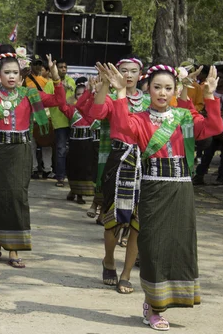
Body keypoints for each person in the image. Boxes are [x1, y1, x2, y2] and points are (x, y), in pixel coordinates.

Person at [97, 62, 223, 330]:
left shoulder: (184, 119)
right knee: (152, 247)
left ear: (175, 89)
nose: (162, 93)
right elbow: (121, 127)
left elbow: (212, 128)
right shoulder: (140, 119)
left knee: (178, 246)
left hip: (181, 189)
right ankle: (152, 306)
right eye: (157, 87)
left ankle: (162, 303)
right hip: (153, 188)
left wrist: (210, 96)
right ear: (148, 89)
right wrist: (120, 93)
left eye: (168, 88)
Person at [0, 45, 65, 268]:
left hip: (20, 151)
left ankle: (15, 248)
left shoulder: (29, 94)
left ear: (21, 75)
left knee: (18, 197)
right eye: (6, 72)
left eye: (15, 73)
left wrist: (56, 78)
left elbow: (58, 100)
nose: (11, 76)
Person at [84, 57, 151, 294]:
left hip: (147, 162)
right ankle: (109, 258)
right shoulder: (113, 100)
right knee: (113, 217)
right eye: (124, 71)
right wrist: (104, 84)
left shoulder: (151, 101)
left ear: (141, 74)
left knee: (137, 222)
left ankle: (126, 273)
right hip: (120, 160)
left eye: (133, 71)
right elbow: (96, 112)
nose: (129, 75)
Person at [59, 83, 98, 204]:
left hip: (88, 143)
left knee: (85, 169)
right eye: (78, 94)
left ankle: (80, 194)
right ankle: (73, 190)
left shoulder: (92, 109)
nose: (81, 97)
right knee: (73, 168)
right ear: (75, 96)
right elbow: (61, 106)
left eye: (83, 94)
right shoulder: (71, 110)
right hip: (75, 143)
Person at [44, 59, 76, 186]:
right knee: (61, 150)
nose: (63, 69)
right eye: (61, 67)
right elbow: (48, 101)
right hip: (59, 121)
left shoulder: (71, 81)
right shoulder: (50, 84)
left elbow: (76, 99)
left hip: (72, 120)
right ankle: (60, 177)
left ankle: (72, 176)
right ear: (55, 69)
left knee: (73, 150)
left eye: (65, 67)